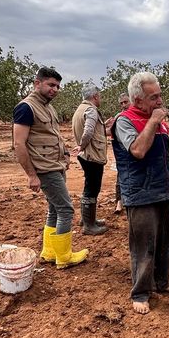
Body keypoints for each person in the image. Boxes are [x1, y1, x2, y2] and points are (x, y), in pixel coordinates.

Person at [111, 72, 169, 314]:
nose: (159, 101)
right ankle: (140, 292)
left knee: (168, 238)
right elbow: (137, 150)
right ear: (137, 101)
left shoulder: (156, 119)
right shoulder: (124, 121)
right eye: (153, 97)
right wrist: (153, 122)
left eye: (160, 95)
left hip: (163, 190)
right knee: (144, 245)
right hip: (140, 193)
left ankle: (160, 283)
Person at [13, 67, 88, 269]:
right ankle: (64, 257)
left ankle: (49, 252)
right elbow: (19, 144)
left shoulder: (48, 107)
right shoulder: (26, 108)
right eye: (51, 85)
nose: (55, 89)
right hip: (45, 169)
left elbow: (52, 135)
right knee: (66, 209)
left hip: (55, 166)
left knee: (54, 209)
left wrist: (64, 154)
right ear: (37, 83)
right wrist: (31, 175)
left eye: (57, 86)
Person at [71, 83, 109, 235]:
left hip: (85, 155)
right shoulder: (91, 110)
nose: (100, 99)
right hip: (92, 154)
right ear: (94, 96)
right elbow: (88, 132)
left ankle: (87, 219)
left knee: (89, 185)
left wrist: (105, 126)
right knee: (92, 188)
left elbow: (92, 129)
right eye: (99, 96)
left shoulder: (80, 109)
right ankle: (89, 225)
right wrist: (82, 145)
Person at [113, 93, 131, 214]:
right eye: (122, 103)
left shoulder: (135, 115)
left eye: (126, 102)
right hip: (122, 151)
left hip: (134, 149)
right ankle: (119, 202)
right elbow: (113, 135)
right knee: (121, 176)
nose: (124, 105)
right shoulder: (118, 116)